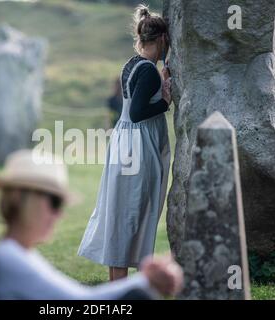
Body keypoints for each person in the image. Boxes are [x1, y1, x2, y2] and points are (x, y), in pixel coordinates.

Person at [0, 149, 183, 299]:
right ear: (20, 198)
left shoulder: (18, 254)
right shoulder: (10, 258)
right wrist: (147, 280)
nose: (59, 214)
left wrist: (145, 280)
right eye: (54, 202)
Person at [77, 5, 173, 281]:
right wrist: (166, 101)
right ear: (162, 39)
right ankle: (121, 287)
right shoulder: (148, 71)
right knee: (132, 209)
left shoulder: (132, 64)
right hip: (138, 147)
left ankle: (118, 283)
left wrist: (160, 86)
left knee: (124, 209)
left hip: (124, 142)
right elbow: (138, 112)